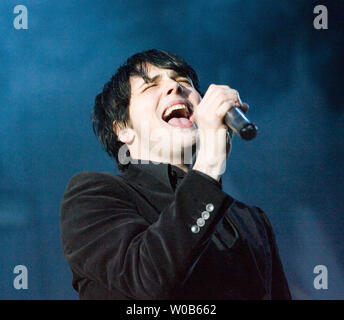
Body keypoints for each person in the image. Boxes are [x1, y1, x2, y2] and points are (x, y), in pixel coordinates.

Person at [60, 49, 291, 300]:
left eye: (183, 82)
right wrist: (210, 160)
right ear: (123, 129)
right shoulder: (94, 195)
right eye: (150, 87)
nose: (174, 87)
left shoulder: (251, 220)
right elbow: (146, 279)